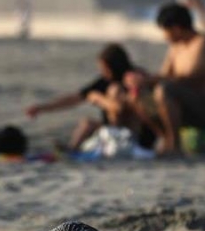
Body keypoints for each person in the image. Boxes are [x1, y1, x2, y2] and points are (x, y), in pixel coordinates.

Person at [126, 3, 205, 155]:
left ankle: (174, 144)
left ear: (177, 28)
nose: (165, 36)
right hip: (179, 104)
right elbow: (164, 74)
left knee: (165, 90)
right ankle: (167, 139)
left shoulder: (203, 44)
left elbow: (190, 78)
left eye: (165, 31)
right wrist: (140, 80)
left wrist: (150, 81)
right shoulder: (176, 47)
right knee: (138, 96)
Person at [25, 43, 156, 152]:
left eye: (104, 68)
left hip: (135, 132)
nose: (103, 72)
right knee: (87, 124)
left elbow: (119, 108)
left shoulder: (133, 78)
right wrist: (42, 108)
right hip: (114, 129)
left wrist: (99, 99)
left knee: (114, 91)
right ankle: (73, 149)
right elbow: (75, 98)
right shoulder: (105, 81)